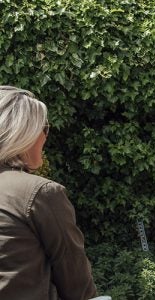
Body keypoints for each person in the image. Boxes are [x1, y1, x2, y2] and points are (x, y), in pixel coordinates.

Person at [0, 86, 96, 299]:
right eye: (43, 127)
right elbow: (77, 286)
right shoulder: (39, 193)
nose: (46, 135)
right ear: (22, 133)